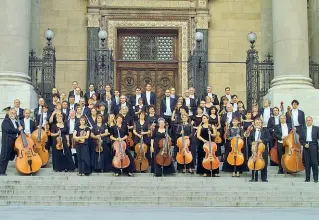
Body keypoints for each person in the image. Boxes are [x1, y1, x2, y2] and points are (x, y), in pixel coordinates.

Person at [0, 109, 22, 176]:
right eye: (12, 113)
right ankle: (1, 172)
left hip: (14, 141)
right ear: (9, 113)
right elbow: (9, 129)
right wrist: (18, 129)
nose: (13, 114)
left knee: (9, 156)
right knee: (4, 156)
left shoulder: (16, 122)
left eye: (14, 113)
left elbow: (18, 131)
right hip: (7, 141)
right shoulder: (6, 121)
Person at [248, 118, 269, 182]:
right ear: (254, 123)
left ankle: (264, 178)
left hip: (262, 149)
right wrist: (252, 142)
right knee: (254, 162)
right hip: (254, 149)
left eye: (259, 122)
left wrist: (262, 141)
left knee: (264, 163)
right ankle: (254, 177)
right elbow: (249, 140)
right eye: (256, 123)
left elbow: (269, 139)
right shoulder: (252, 131)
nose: (258, 124)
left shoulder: (265, 130)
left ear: (261, 123)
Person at [301, 116, 319, 183]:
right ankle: (307, 178)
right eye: (307, 120)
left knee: (314, 163)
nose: (308, 121)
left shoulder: (316, 128)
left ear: (312, 121)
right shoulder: (303, 129)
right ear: (306, 121)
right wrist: (304, 144)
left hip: (313, 145)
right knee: (307, 163)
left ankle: (316, 178)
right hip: (306, 146)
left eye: (309, 120)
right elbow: (301, 139)